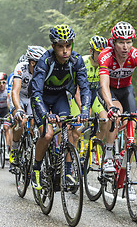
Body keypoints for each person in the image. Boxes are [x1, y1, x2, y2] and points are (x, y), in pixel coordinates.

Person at [30, 25, 91, 190]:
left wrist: (85, 110)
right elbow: (35, 91)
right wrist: (45, 114)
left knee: (69, 129)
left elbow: (84, 88)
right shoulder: (45, 60)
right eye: (60, 46)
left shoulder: (76, 61)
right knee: (48, 134)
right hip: (41, 98)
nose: (65, 50)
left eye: (68, 45)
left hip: (60, 97)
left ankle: (68, 171)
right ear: (53, 46)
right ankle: (36, 170)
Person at [98, 21, 137, 173]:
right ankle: (107, 155)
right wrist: (110, 105)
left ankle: (126, 171)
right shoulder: (105, 56)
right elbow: (104, 85)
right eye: (121, 42)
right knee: (117, 113)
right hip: (111, 91)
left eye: (129, 42)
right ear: (114, 42)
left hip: (126, 90)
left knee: (131, 124)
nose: (125, 47)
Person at [9, 46, 46, 172]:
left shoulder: (43, 70)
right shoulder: (21, 68)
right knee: (22, 120)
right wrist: (18, 109)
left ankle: (31, 150)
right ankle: (14, 149)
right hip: (19, 97)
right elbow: (15, 90)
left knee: (34, 123)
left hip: (31, 98)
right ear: (32, 62)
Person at [70, 35, 109, 147]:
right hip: (78, 96)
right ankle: (74, 155)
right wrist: (84, 108)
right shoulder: (83, 62)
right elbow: (77, 90)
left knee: (105, 120)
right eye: (98, 53)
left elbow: (104, 87)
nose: (102, 56)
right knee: (77, 131)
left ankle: (94, 147)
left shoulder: (104, 64)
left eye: (104, 53)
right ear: (91, 51)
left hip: (93, 95)